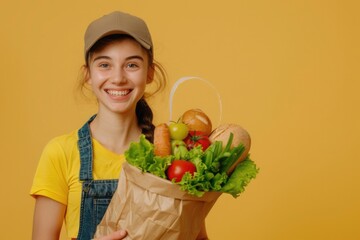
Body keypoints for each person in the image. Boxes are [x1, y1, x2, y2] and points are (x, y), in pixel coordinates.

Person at [30, 11, 209, 240]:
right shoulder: (61, 153)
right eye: (104, 64)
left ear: (150, 73)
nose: (118, 78)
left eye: (131, 65)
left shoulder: (171, 155)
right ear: (88, 74)